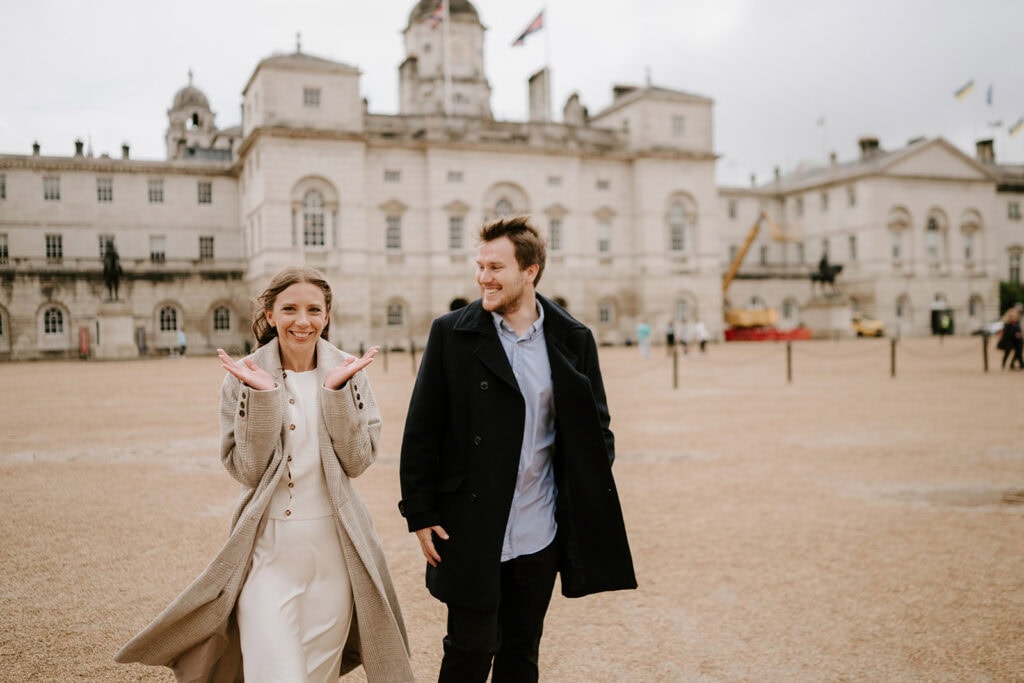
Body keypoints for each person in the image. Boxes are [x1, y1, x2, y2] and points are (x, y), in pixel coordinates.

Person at [116, 266, 414, 682]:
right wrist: (263, 397)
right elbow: (249, 470)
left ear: (327, 316)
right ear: (270, 315)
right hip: (268, 554)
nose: (303, 321)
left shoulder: (349, 371)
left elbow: (358, 462)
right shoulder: (244, 374)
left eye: (314, 310)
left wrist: (336, 393)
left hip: (334, 556)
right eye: (289, 309)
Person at [399, 215, 637, 683]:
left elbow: (597, 428)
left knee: (521, 653)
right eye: (480, 265)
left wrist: (578, 486)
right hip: (469, 525)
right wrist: (420, 513)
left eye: (495, 267)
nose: (483, 277)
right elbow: (422, 429)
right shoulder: (451, 333)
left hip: (538, 528)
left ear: (530, 272)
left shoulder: (573, 338)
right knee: (470, 648)